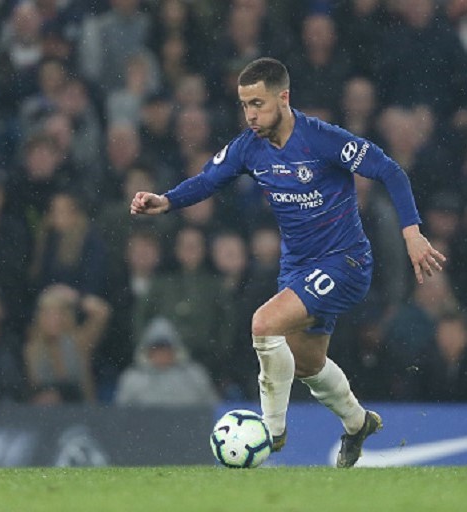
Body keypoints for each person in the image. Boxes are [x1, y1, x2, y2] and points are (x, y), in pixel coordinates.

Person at [130, 57, 445, 468]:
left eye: (258, 104)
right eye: (245, 105)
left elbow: (389, 170)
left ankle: (272, 432)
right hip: (298, 268)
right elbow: (209, 179)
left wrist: (412, 233)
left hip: (344, 261)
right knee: (308, 364)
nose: (250, 115)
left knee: (263, 324)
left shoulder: (323, 139)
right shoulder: (249, 147)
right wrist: (167, 200)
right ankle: (357, 423)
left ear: (284, 97)